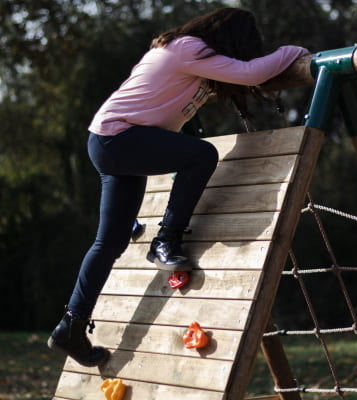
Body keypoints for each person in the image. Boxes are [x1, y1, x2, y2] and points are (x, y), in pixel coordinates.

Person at [47, 7, 309, 367]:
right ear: (230, 38)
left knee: (110, 241)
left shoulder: (188, 54)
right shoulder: (187, 49)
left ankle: (70, 326)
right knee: (201, 155)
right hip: (119, 138)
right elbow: (251, 73)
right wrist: (296, 52)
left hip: (109, 139)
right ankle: (166, 240)